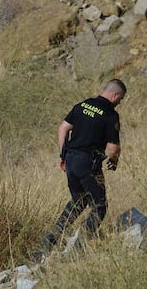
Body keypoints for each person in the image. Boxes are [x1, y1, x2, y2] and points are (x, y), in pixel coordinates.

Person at [30, 79, 127, 260]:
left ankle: (49, 242)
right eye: (120, 99)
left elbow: (63, 128)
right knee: (100, 206)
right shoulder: (110, 115)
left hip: (71, 161)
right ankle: (79, 248)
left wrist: (63, 155)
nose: (120, 102)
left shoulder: (82, 105)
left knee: (78, 201)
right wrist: (114, 160)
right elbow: (113, 147)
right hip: (88, 163)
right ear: (115, 95)